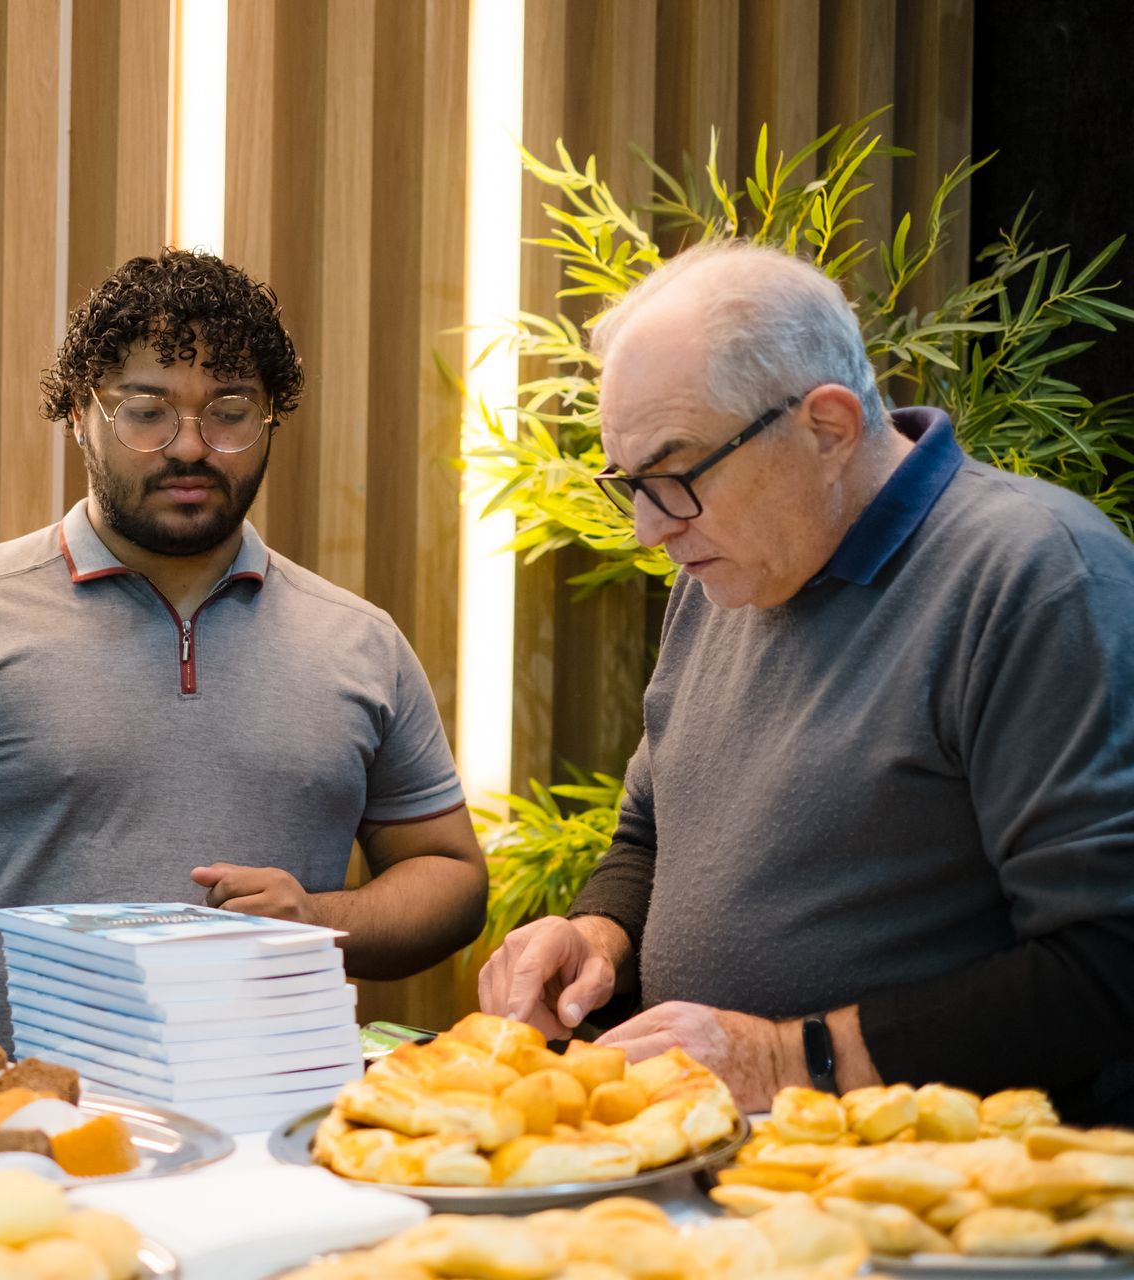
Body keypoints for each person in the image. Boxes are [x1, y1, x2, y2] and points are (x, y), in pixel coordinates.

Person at [477, 240, 1134, 1120]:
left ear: (827, 429)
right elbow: (649, 835)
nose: (647, 530)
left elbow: (1107, 957)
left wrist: (786, 1057)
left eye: (674, 475)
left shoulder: (1036, 574)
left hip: (942, 1173)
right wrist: (598, 936)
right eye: (629, 484)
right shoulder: (723, 573)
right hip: (716, 1145)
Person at [0, 249, 487, 1048]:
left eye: (230, 410)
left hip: (278, 1108)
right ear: (80, 413)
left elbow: (452, 879)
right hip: (10, 1114)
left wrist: (319, 919)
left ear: (270, 417)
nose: (191, 446)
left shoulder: (361, 642)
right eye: (146, 411)